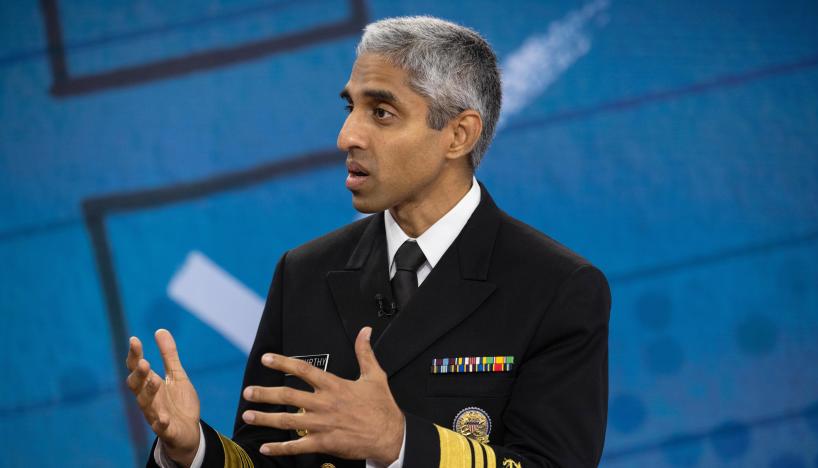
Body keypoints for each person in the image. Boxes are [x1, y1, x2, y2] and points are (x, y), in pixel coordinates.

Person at [125, 15, 611, 468]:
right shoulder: (304, 271)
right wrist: (192, 450)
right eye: (350, 107)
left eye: (381, 112)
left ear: (458, 135)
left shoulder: (557, 287)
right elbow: (267, 454)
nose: (346, 136)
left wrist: (398, 443)